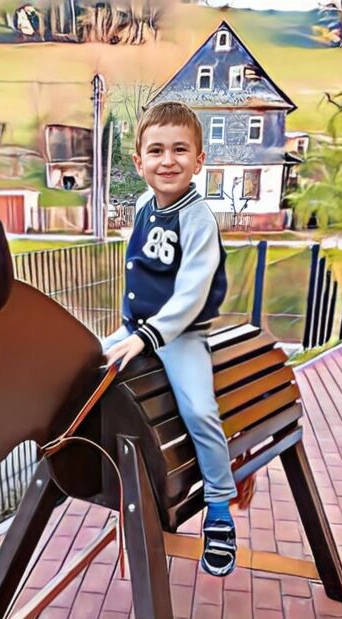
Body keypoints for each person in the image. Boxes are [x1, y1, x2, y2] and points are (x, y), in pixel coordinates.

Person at [103, 100, 237, 577]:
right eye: (156, 150)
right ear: (139, 161)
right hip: (137, 327)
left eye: (180, 149)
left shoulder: (198, 218)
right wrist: (134, 330)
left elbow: (191, 292)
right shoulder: (143, 206)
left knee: (200, 410)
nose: (168, 160)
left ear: (199, 160)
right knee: (84, 366)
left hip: (180, 335)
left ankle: (219, 508)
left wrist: (148, 336)